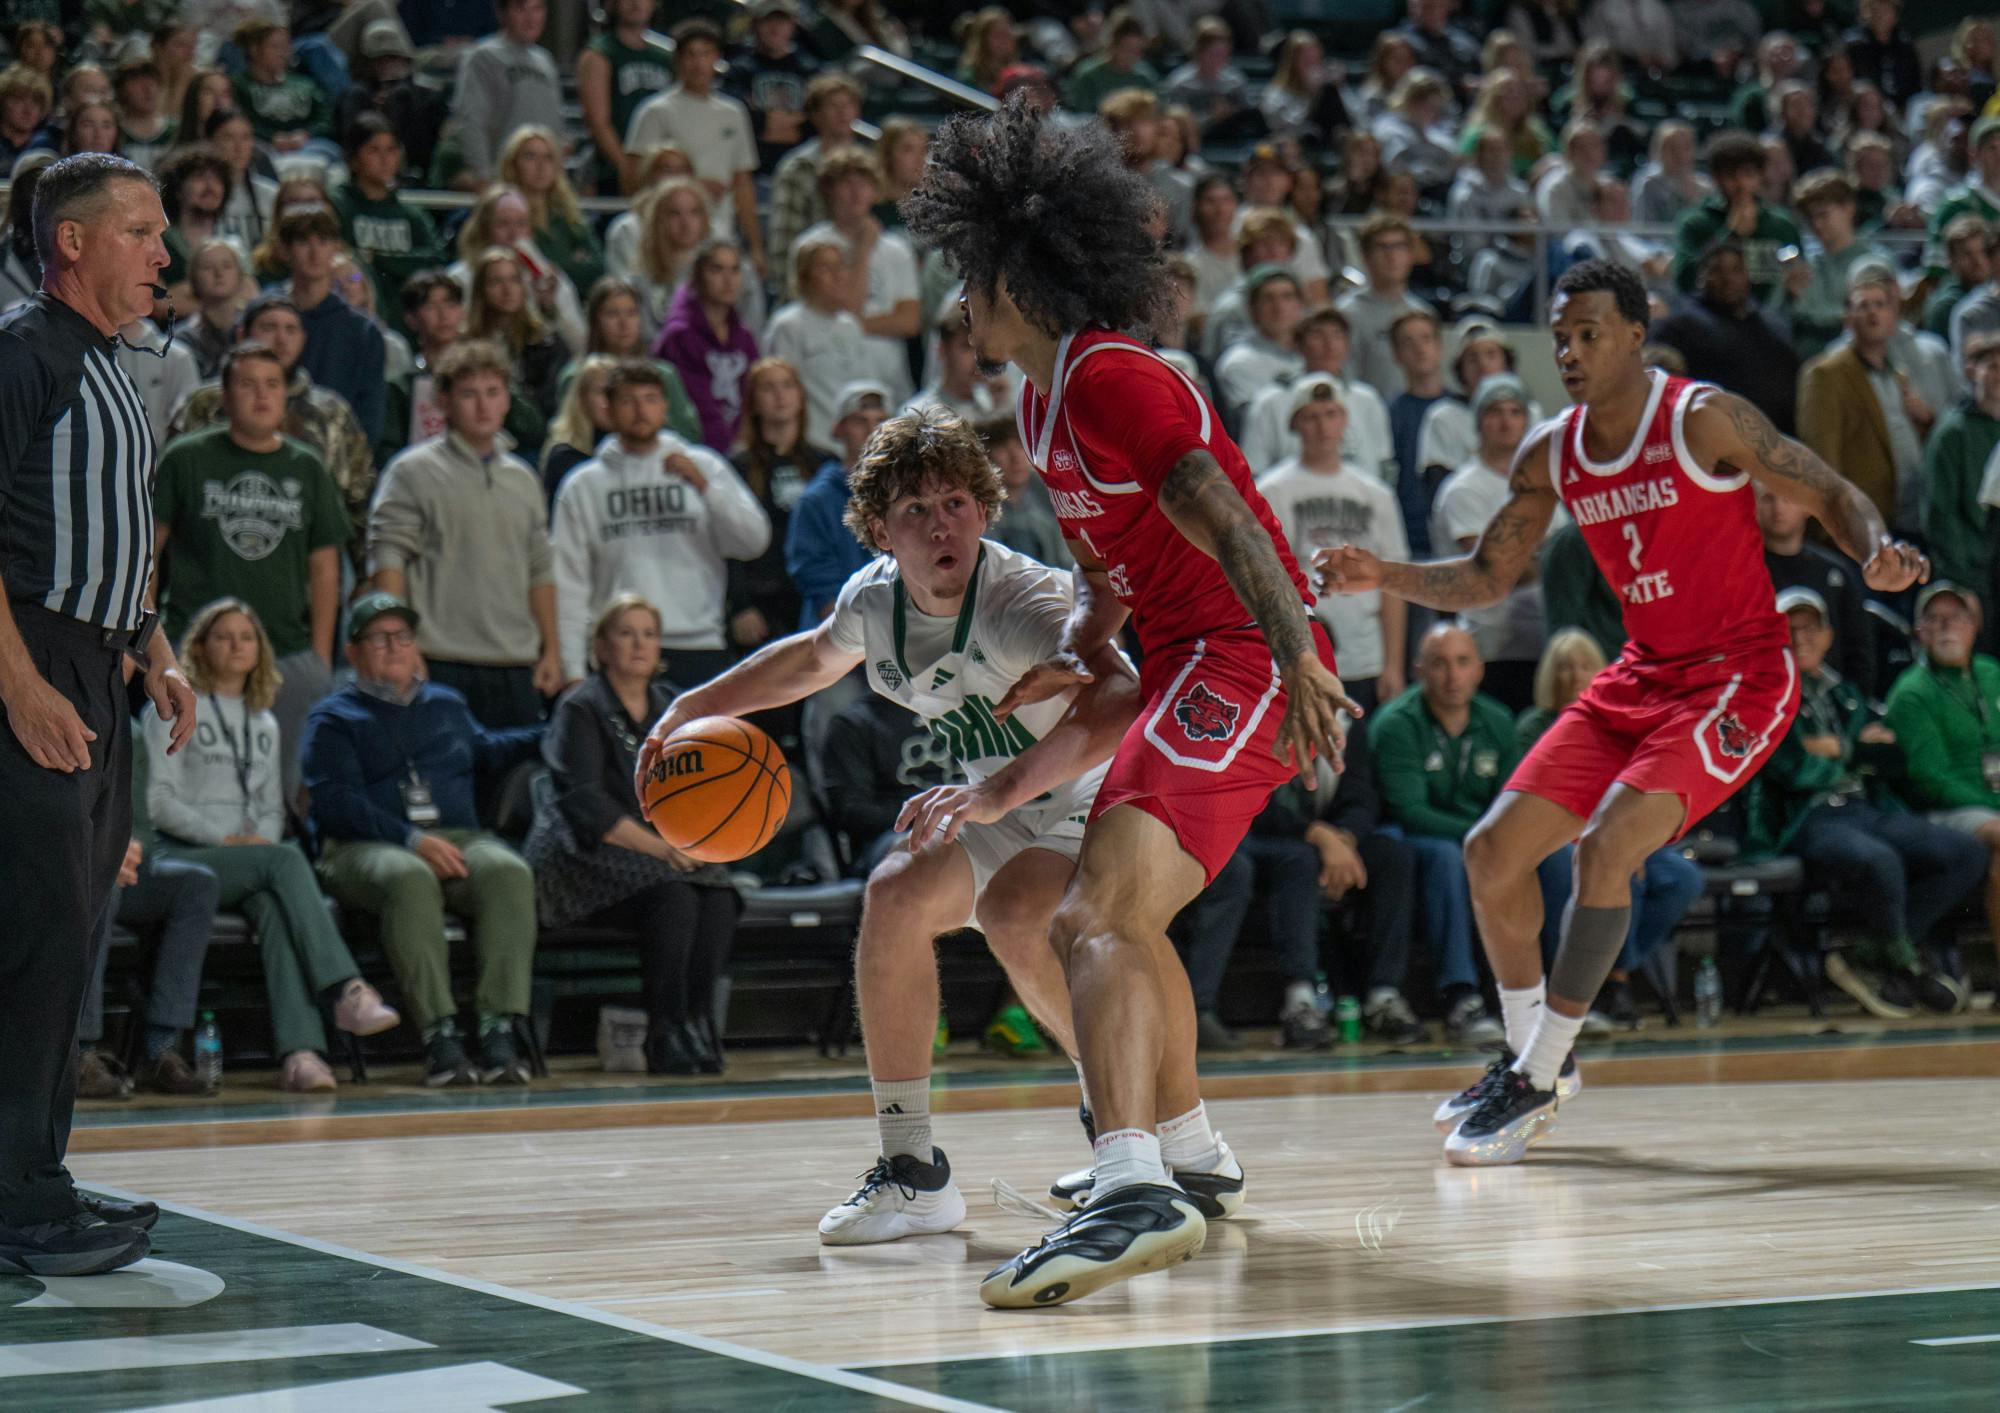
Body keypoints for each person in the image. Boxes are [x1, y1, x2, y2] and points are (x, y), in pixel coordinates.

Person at [892, 97, 1350, 1307]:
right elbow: (1113, 551)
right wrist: (1089, 636)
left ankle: (1131, 1187)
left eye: (972, 278)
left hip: (1243, 655)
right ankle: (1184, 1160)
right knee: (1089, 910)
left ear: (1026, 281)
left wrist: (1297, 652)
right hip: (1186, 655)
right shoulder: (1042, 406)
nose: (959, 302)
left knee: (1094, 915)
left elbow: (1215, 502)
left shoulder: (1107, 380)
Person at [1320, 258, 1925, 1167]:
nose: (1568, 350)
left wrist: (1876, 552)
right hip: (1643, 676)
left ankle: (1540, 1070)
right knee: (1491, 853)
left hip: (1738, 678)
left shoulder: (1701, 418)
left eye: (1588, 333)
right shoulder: (1552, 449)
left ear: (1635, 335)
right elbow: (1488, 576)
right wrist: (1385, 574)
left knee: (1607, 845)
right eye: (1559, 336)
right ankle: (1534, 1063)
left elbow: (1829, 489)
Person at [639, 405, 1145, 1246]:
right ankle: (912, 1171)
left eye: (955, 503)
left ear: (985, 510)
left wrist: (997, 794)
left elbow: (1122, 698)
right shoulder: (874, 600)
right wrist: (692, 706)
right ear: (879, 529)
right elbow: (807, 658)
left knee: (1018, 913)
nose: (941, 524)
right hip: (999, 796)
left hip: (1093, 798)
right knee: (894, 896)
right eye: (916, 510)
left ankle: (1122, 1111)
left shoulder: (1024, 600)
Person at [0, 152, 198, 1274]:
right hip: (33, 667)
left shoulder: (116, 365)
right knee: (30, 947)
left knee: (67, 944)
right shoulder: (23, 356)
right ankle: (20, 1200)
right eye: (140, 232)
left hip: (97, 666)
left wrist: (154, 646)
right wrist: (21, 683)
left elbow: (111, 532)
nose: (162, 254)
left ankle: (39, 1180)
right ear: (72, 242)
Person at [145, 599, 402, 1092]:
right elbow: (157, 801)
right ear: (199, 646)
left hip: (252, 862)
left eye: (247, 637)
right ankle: (347, 989)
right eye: (224, 636)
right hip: (184, 855)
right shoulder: (173, 705)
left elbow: (269, 805)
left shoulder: (264, 723)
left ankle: (302, 1055)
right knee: (283, 860)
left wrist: (255, 841)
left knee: (275, 905)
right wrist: (227, 840)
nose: (238, 645)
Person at [303, 591, 543, 1087]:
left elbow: (486, 749)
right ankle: (440, 1034)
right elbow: (334, 803)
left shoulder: (446, 703)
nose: (394, 646)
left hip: (454, 837)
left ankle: (500, 1028)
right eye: (379, 638)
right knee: (410, 877)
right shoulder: (333, 717)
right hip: (361, 848)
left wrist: (554, 729)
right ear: (353, 652)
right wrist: (411, 839)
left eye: (403, 637)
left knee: (508, 871)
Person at [525, 594, 739, 1074]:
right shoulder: (580, 706)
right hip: (580, 853)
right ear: (602, 647)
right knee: (675, 894)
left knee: (720, 892)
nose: (639, 644)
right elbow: (584, 803)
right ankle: (663, 1032)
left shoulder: (672, 706)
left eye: (648, 633)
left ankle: (697, 1021)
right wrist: (664, 849)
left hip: (656, 852)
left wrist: (690, 843)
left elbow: (693, 791)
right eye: (626, 633)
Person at [1746, 587, 1976, 1017]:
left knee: (1964, 851)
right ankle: (1905, 965)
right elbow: (1788, 766)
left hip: (1864, 808)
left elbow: (1891, 755)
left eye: (1810, 627)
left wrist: (1839, 748)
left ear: (1828, 635)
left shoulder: (1844, 693)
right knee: (1881, 859)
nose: (1800, 638)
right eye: (1788, 629)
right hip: (1805, 818)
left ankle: (1871, 956)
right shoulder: (1760, 698)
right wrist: (1852, 752)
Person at [153, 341, 346, 800]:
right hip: (194, 649)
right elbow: (147, 554)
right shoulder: (185, 457)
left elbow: (325, 571)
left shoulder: (308, 466)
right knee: (195, 787)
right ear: (224, 395)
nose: (261, 395)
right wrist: (150, 639)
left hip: (287, 655)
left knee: (282, 793)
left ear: (285, 396)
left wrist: (319, 658)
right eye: (247, 384)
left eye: (272, 385)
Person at [1516, 629, 1706, 1030]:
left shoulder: (1621, 723)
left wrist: (1634, 845)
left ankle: (1613, 967)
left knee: (1682, 878)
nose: (1573, 675)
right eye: (1564, 667)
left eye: (1584, 665)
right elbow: (1534, 803)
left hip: (1622, 832)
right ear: (1551, 675)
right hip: (1560, 837)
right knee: (1616, 873)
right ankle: (1614, 983)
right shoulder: (1534, 728)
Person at [368, 339, 562, 728]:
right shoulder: (411, 471)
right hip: (439, 658)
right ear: (443, 400)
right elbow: (388, 560)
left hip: (515, 662)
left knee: (514, 785)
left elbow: (540, 570)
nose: (483, 405)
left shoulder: (523, 479)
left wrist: (552, 650)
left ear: (508, 400)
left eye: (493, 392)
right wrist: (399, 645)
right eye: (469, 393)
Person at [551, 359, 771, 686]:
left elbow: (753, 542)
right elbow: (569, 582)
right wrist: (572, 669)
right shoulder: (583, 485)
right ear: (607, 409)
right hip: (618, 648)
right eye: (628, 401)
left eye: (651, 399)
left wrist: (705, 489)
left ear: (665, 406)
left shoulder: (704, 465)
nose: (641, 410)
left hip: (699, 642)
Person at [167, 293, 377, 561]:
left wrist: (363, 575)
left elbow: (358, 496)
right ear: (243, 334)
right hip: (210, 553)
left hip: (305, 560)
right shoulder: (206, 403)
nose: (281, 339)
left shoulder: (329, 411)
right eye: (269, 327)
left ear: (303, 339)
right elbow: (170, 488)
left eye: (291, 329)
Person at [1255, 376, 1408, 714]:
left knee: (1356, 760)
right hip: (1302, 651)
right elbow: (1266, 582)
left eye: (1331, 413)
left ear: (1345, 419)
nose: (1323, 426)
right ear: (1295, 423)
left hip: (1365, 651)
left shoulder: (1376, 494)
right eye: (1312, 416)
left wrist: (1393, 664)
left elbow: (1393, 582)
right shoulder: (1272, 490)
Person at [1430, 375, 1552, 712]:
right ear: (1479, 422)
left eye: (1515, 411)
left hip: (1542, 640)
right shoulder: (1464, 488)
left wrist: (1526, 554)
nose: (1506, 421)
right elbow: (1495, 568)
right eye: (1495, 411)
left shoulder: (1546, 483)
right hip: (1489, 646)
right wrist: (1546, 554)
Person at [75, 831, 218, 1099]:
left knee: (196, 884)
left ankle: (159, 1051)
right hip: (69, 865)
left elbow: (136, 818)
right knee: (100, 890)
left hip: (117, 862)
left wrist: (129, 850)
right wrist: (100, 856)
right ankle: (78, 1055)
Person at [624, 19, 767, 279]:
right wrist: (694, 188)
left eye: (705, 54)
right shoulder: (656, 111)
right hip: (668, 235)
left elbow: (742, 182)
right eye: (690, 54)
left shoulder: (733, 113)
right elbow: (635, 177)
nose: (698, 62)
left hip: (719, 231)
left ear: (717, 58)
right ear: (678, 60)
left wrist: (755, 246)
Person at [1798, 269, 1936, 536]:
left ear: (1894, 316)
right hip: (1864, 522)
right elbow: (1823, 458)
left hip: (1909, 514)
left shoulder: (1897, 372)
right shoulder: (1824, 373)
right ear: (1848, 319)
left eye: (1880, 305)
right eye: (1863, 306)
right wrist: (1835, 527)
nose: (1873, 313)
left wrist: (1927, 421)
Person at [1649, 242, 1802, 434]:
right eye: (1717, 270)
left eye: (1737, 270)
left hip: (1777, 437)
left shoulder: (1771, 323)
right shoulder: (1679, 324)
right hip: (1711, 438)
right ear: (1702, 276)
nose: (1728, 278)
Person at [730, 357, 829, 644]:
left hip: (813, 599)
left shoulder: (825, 464)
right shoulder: (738, 467)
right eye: (768, 388)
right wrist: (740, 605)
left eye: (787, 386)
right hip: (762, 602)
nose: (780, 395)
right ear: (754, 403)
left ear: (800, 397)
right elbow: (730, 544)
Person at [273, 203, 388, 445]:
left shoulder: (363, 331)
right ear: (284, 250)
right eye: (303, 242)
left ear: (336, 247)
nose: (315, 253)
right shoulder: (263, 318)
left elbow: (369, 420)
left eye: (323, 241)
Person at [1239, 307, 1393, 480]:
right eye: (1317, 335)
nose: (1329, 344)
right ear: (1298, 344)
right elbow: (1254, 468)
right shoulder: (1270, 401)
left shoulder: (1367, 398)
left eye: (1337, 335)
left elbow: (1385, 464)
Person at [330, 114, 444, 338]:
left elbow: (434, 260)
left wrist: (379, 258)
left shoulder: (411, 214)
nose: (385, 159)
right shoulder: (338, 205)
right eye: (374, 150)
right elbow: (346, 260)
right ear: (353, 158)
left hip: (409, 319)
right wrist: (399, 265)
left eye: (392, 150)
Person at [1758, 487, 1875, 698]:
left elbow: (1859, 648)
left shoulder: (1836, 572)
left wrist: (1855, 709)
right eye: (1768, 499)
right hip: (1768, 701)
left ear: (1807, 506)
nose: (1778, 508)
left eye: (1788, 498)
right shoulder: (1742, 574)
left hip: (1832, 704)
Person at [786, 379, 887, 623]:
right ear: (838, 429)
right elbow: (817, 577)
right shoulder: (818, 499)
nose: (872, 430)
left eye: (880, 421)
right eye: (859, 421)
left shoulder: (905, 493)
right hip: (841, 638)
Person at [1671, 132, 1804, 309]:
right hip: (1710, 317)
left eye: (1748, 174)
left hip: (1769, 320)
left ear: (1760, 176)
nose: (1741, 183)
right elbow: (1684, 282)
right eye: (1731, 175)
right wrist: (1731, 235)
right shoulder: (1695, 223)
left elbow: (1799, 282)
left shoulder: (1781, 225)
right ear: (1717, 178)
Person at [763, 234, 869, 445]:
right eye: (825, 268)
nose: (838, 275)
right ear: (804, 277)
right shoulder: (788, 326)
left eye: (841, 266)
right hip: (813, 444)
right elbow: (781, 394)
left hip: (851, 446)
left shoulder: (850, 326)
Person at [1924, 329, 2000, 622]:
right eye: (1992, 366)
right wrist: (1966, 579)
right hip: (1973, 572)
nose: (1998, 375)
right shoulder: (1952, 432)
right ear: (1972, 370)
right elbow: (1940, 513)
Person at [657, 239, 757, 455]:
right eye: (717, 270)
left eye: (735, 270)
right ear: (698, 276)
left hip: (742, 448)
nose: (728, 280)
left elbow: (753, 394)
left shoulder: (744, 335)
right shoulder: (680, 335)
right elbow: (694, 404)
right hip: (694, 449)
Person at [448, 0, 562, 190]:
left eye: (537, 9)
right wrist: (483, 177)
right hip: (502, 181)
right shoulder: (483, 56)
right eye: (521, 8)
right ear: (502, 13)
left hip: (542, 185)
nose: (531, 18)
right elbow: (470, 120)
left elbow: (556, 126)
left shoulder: (546, 61)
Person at [577, 0, 674, 195]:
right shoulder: (599, 53)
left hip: (663, 173)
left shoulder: (667, 55)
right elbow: (598, 122)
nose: (636, 3)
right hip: (615, 173)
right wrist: (626, 168)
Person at [768, 73, 863, 270]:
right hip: (812, 272)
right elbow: (784, 237)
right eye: (833, 106)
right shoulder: (797, 167)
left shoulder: (869, 165)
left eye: (848, 104)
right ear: (816, 115)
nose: (842, 112)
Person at [1336, 214, 1430, 401]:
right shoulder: (1347, 314)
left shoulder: (1422, 313)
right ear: (1366, 256)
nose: (1391, 256)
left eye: (1399, 247)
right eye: (1382, 247)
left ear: (1410, 255)